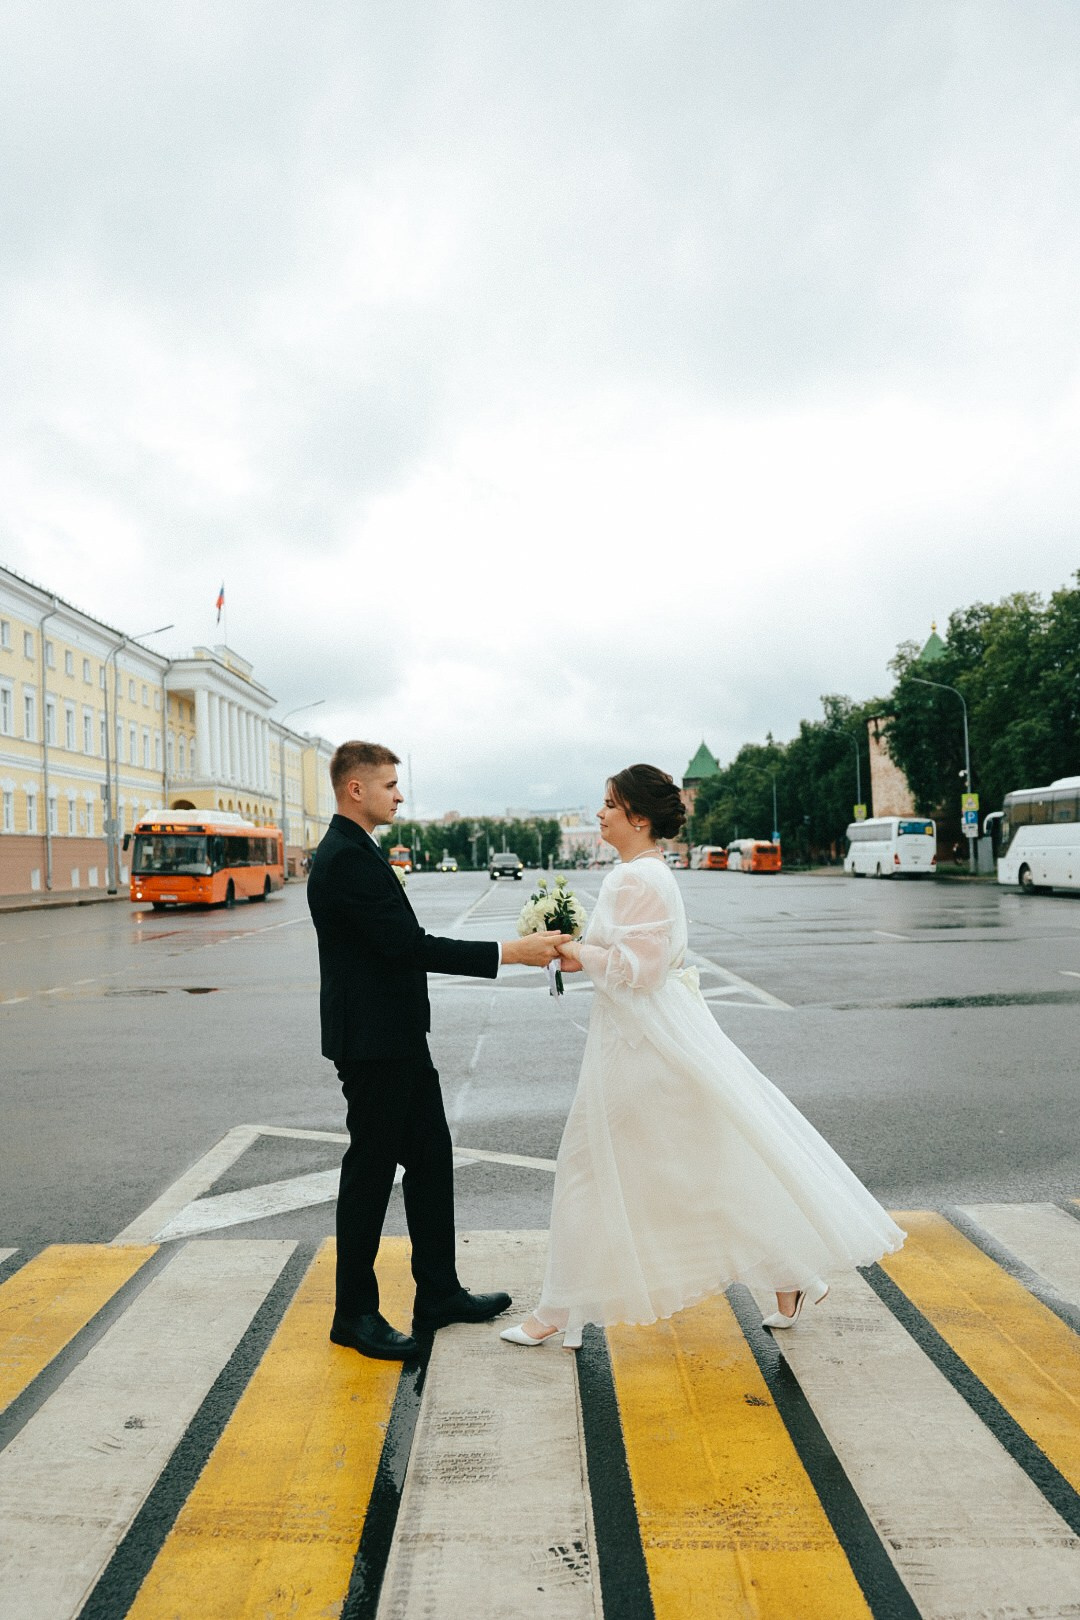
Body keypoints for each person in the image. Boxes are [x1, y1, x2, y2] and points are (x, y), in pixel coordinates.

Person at [500, 763, 905, 1350]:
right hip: (655, 1036)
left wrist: (575, 952)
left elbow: (639, 970)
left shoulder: (632, 879)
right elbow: (639, 960)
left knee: (592, 1170)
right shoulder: (647, 872)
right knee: (690, 1172)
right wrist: (581, 952)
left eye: (609, 804)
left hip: (640, 1046)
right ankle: (791, 1270)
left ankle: (557, 1311)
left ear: (638, 817)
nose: (600, 814)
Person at [308, 740, 570, 1361]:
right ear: (357, 790)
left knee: (430, 1157)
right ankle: (354, 1313)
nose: (399, 794)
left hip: (394, 1037)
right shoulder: (345, 859)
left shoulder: (358, 851)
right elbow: (409, 947)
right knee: (369, 1172)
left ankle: (439, 1292)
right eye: (391, 785)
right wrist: (510, 953)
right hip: (373, 1045)